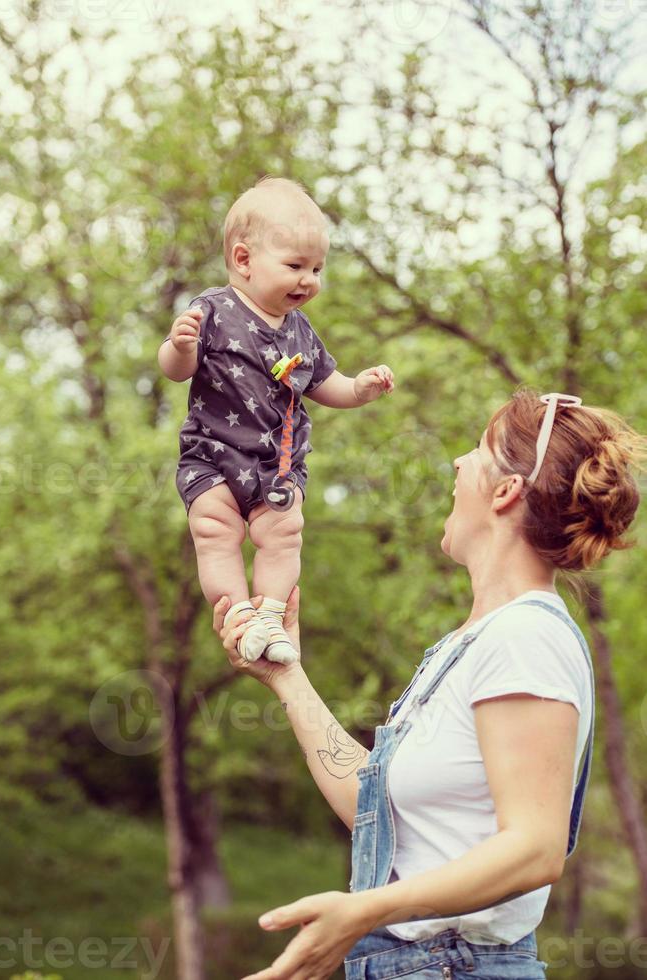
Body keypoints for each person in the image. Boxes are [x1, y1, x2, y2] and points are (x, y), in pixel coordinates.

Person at [213, 388, 646, 980]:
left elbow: (535, 848)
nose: (458, 464)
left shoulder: (525, 637)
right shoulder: (469, 644)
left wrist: (363, 910)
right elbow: (376, 809)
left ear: (505, 491)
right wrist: (287, 677)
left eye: (477, 450)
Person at [158, 176, 394, 666]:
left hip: (278, 463)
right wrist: (179, 347)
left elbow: (327, 385)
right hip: (213, 456)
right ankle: (238, 615)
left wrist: (360, 389)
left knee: (284, 534)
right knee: (214, 528)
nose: (308, 280)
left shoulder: (300, 331)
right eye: (295, 266)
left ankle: (270, 617)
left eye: (317, 268)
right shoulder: (214, 311)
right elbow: (177, 371)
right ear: (244, 260)